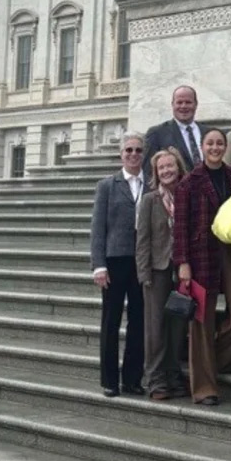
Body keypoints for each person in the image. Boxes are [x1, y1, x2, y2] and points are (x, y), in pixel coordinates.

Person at [171, 129, 231, 405]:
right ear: (202, 147)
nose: (215, 147)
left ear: (225, 147)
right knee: (201, 322)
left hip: (230, 253)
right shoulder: (188, 183)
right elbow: (180, 227)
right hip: (200, 254)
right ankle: (204, 387)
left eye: (219, 143)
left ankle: (215, 361)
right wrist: (182, 263)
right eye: (210, 143)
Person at [90, 133, 147, 398]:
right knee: (111, 321)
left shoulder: (152, 183)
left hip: (143, 261)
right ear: (121, 154)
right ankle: (110, 380)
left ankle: (132, 379)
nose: (133, 154)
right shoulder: (107, 185)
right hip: (115, 260)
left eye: (138, 150)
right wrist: (98, 265)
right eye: (128, 150)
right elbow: (97, 228)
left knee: (139, 321)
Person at [135, 148, 190, 400]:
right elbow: (142, 240)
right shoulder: (150, 200)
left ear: (178, 167)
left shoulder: (187, 195)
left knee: (177, 326)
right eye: (162, 168)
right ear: (156, 173)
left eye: (171, 166)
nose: (167, 171)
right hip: (156, 271)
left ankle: (174, 374)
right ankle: (155, 379)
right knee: (156, 328)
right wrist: (143, 274)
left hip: (183, 271)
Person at [144, 85, 203, 181]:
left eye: (188, 102)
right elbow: (148, 172)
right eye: (179, 102)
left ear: (196, 104)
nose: (183, 106)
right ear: (172, 105)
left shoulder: (208, 133)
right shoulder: (157, 133)